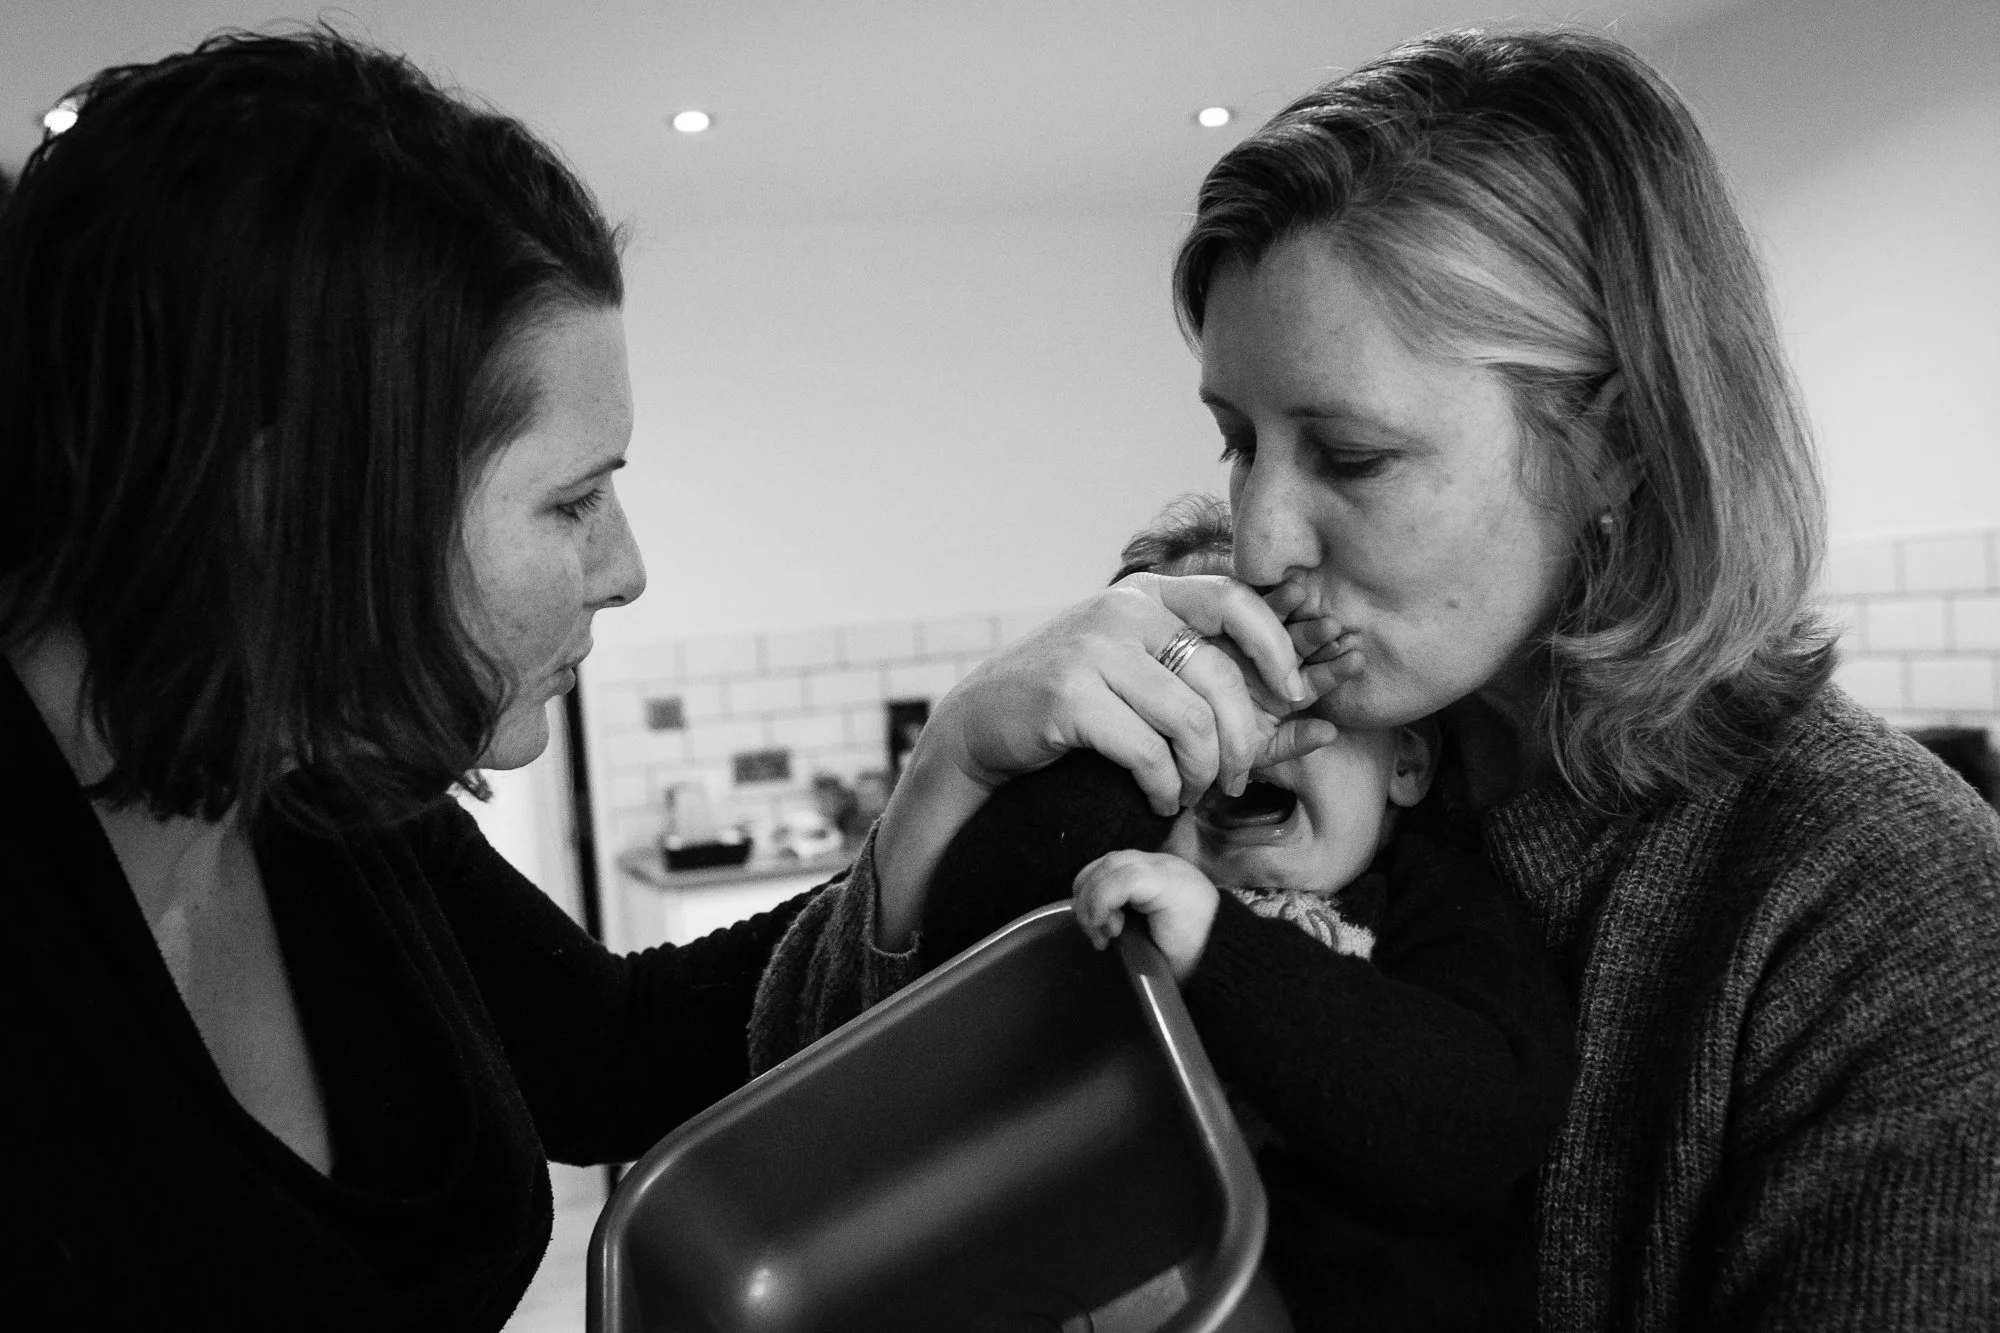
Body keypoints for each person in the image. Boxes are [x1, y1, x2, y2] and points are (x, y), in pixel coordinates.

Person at [752, 26, 2000, 1331]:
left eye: (1350, 458)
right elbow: (796, 1170)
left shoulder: (1889, 917)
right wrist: (950, 775)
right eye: (1238, 443)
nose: (1259, 540)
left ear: (1619, 447)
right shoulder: (1252, 739)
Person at [0, 30, 832, 1331]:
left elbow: (612, 1052)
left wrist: (960, 792)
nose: (625, 569)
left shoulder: (312, 781)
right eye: (571, 502)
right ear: (284, 503)